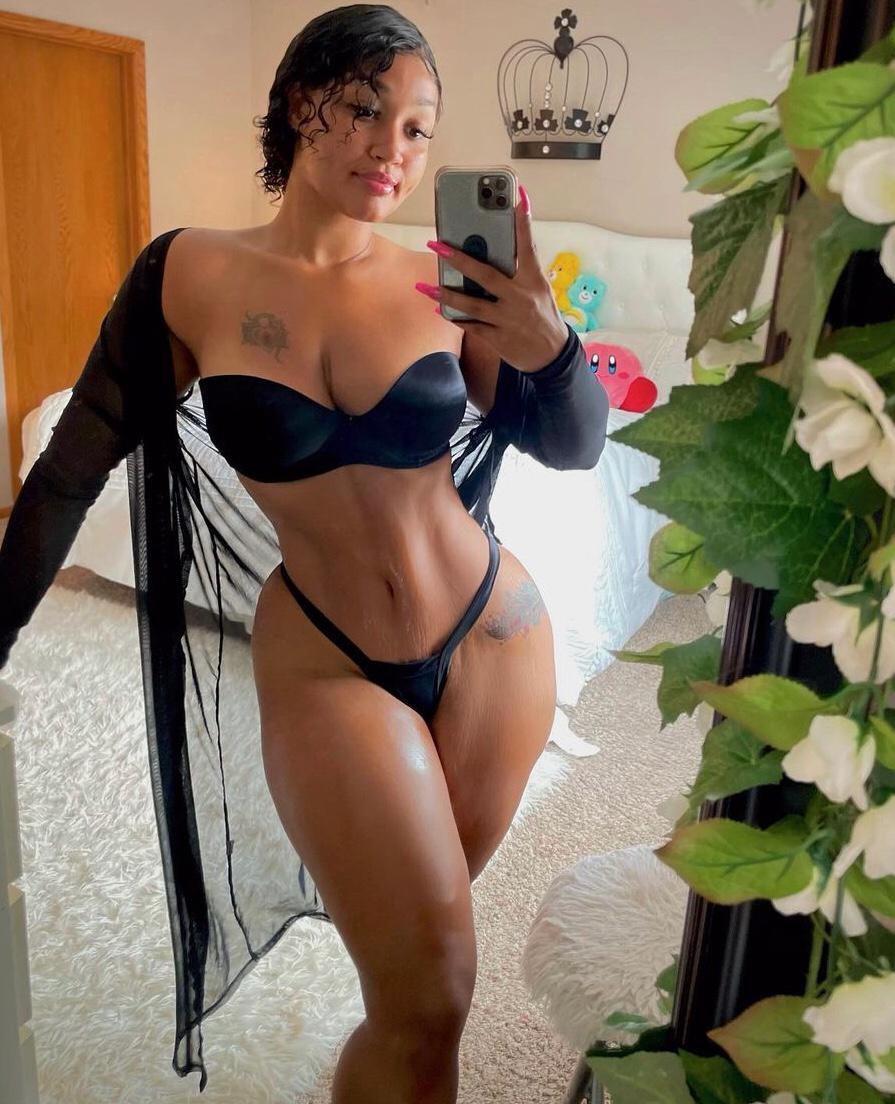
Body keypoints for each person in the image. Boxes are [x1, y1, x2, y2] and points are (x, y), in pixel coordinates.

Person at [0, 4, 609, 1099]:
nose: (392, 148)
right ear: (298, 103)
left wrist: (550, 344)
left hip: (494, 639)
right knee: (429, 995)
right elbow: (67, 471)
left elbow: (573, 446)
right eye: (365, 109)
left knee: (420, 975)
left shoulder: (448, 281)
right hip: (327, 656)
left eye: (417, 129)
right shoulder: (189, 273)